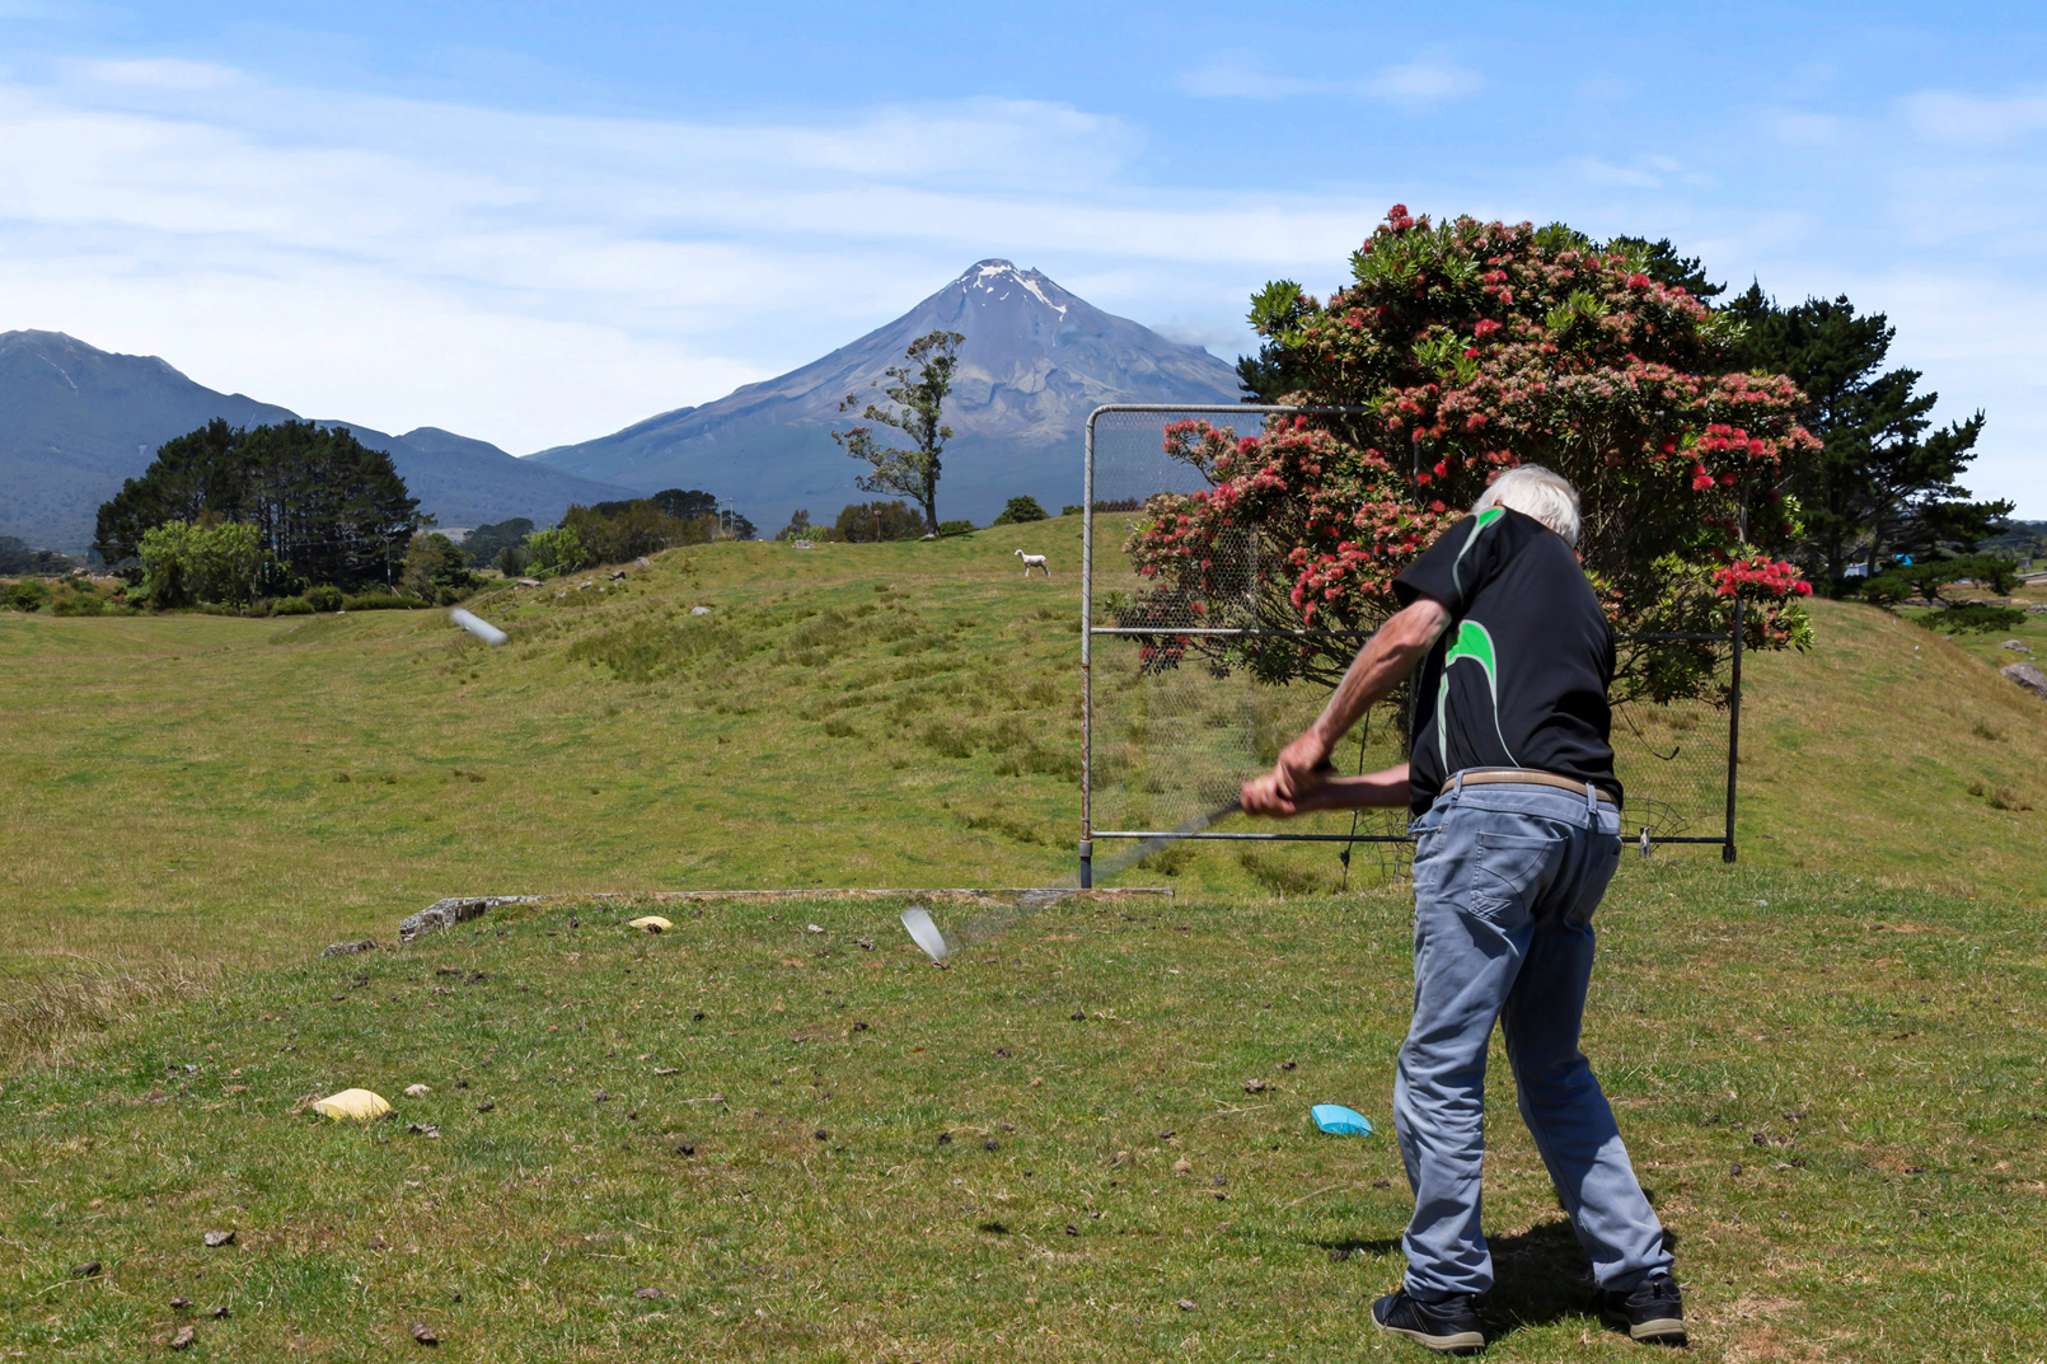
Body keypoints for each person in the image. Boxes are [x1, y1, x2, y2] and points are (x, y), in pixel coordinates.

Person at [1240, 466, 1684, 1353]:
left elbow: (1407, 632)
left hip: (1499, 830)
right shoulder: (1581, 609)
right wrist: (1321, 797)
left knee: (1440, 1062)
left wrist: (1314, 736)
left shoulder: (1497, 533)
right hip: (1583, 829)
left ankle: (1441, 1291)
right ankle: (1641, 1279)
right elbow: (1464, 765)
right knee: (1552, 1065)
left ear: (1504, 513)